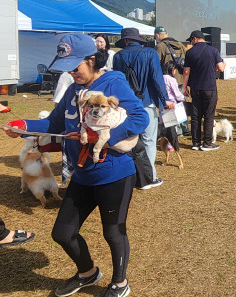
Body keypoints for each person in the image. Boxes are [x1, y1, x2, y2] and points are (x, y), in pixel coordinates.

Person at [3, 33, 149, 296]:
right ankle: (88, 273)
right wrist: (24, 126)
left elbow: (140, 118)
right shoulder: (73, 90)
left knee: (113, 233)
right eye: (67, 68)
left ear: (92, 59)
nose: (71, 73)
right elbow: (54, 124)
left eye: (75, 67)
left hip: (114, 173)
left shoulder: (113, 82)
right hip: (82, 174)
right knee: (62, 233)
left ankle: (120, 282)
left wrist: (102, 138)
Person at [113, 28, 174, 190]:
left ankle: (129, 176)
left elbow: (116, 82)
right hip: (146, 103)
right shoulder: (150, 53)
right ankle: (149, 177)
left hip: (124, 105)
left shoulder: (118, 56)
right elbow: (156, 78)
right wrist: (165, 99)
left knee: (127, 141)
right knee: (148, 140)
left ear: (125, 41)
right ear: (139, 40)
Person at [181, 30, 225, 151]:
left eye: (191, 40)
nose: (191, 42)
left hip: (195, 88)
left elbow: (186, 72)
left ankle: (195, 143)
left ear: (195, 39)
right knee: (209, 115)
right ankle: (207, 143)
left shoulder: (189, 52)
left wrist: (185, 87)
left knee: (195, 116)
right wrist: (223, 64)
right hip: (209, 87)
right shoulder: (213, 50)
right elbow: (221, 68)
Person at [154, 26, 190, 136]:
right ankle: (185, 128)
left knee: (171, 106)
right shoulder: (180, 45)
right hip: (180, 79)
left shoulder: (160, 47)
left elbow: (156, 65)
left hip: (167, 81)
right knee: (180, 104)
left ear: (157, 35)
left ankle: (177, 131)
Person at [159, 60, 186, 153]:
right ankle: (171, 145)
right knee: (172, 127)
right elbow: (177, 94)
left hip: (162, 104)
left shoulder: (160, 78)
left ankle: (162, 142)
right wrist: (184, 98)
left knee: (162, 125)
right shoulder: (171, 80)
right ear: (172, 69)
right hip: (171, 105)